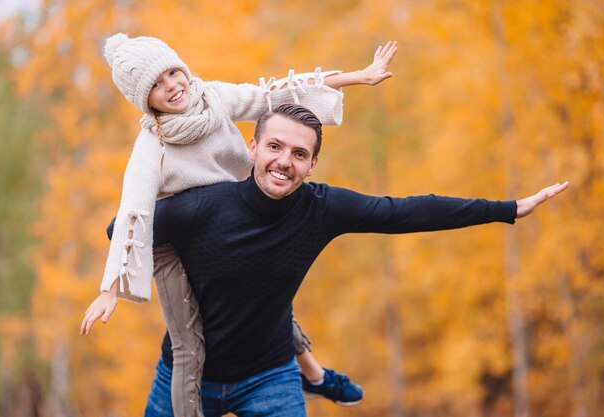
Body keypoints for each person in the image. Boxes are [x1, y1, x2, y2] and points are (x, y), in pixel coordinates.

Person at [126, 103, 568, 417]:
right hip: (185, 375)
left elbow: (409, 211)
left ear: (313, 164)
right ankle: (317, 375)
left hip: (269, 376)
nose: (285, 162)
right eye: (275, 147)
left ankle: (311, 375)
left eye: (300, 154)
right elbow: (122, 230)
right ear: (253, 147)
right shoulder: (203, 208)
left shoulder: (321, 209)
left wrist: (507, 209)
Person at [80, 33, 398, 416]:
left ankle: (312, 375)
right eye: (156, 85)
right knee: (187, 341)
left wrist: (355, 77)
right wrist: (109, 287)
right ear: (144, 100)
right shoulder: (152, 146)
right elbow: (134, 211)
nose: (172, 86)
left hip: (236, 218)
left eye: (172, 73)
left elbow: (273, 95)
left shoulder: (211, 96)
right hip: (177, 241)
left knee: (262, 297)